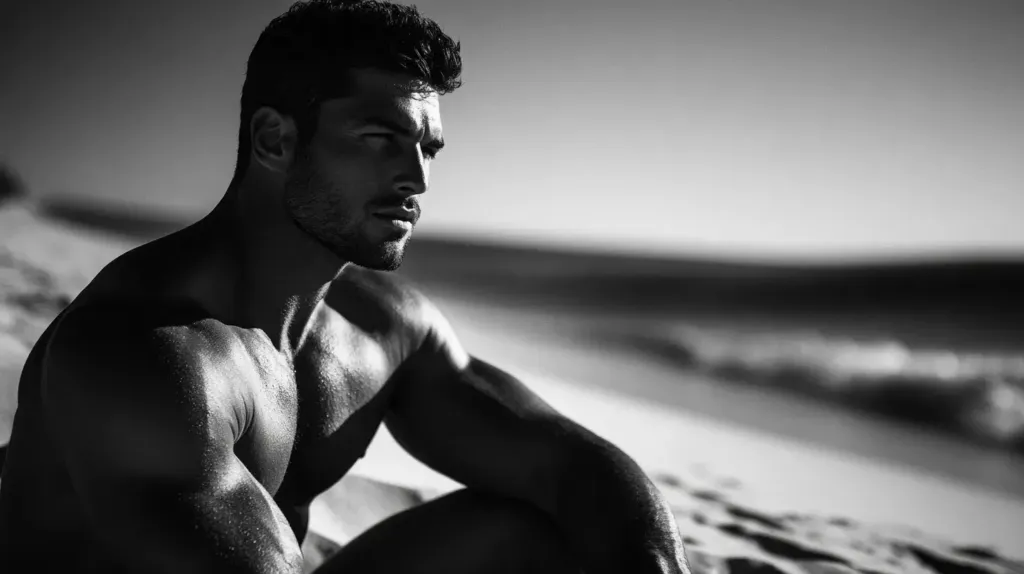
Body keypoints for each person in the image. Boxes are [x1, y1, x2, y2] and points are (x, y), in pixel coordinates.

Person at [0, 1, 691, 572]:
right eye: (381, 139)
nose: (417, 181)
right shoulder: (148, 359)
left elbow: (568, 463)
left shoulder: (380, 329)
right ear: (274, 140)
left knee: (544, 533)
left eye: (427, 149)